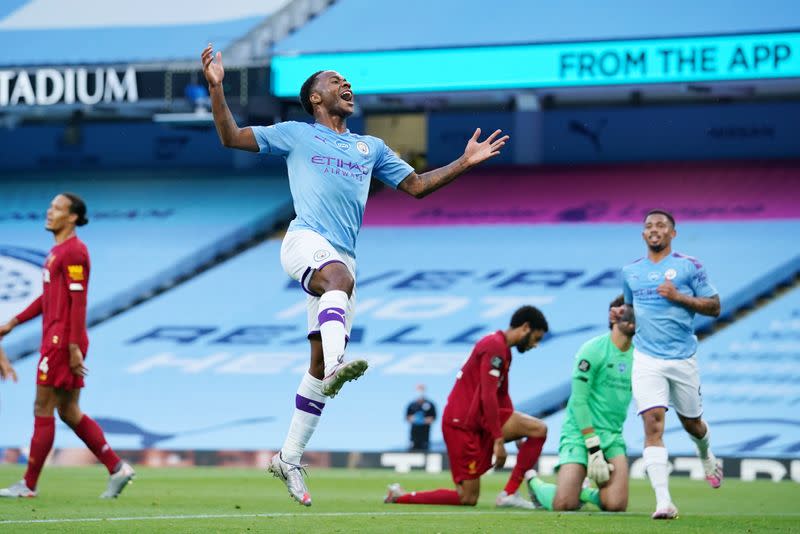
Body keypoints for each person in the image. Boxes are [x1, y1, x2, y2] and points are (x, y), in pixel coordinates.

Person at [201, 45, 509, 506]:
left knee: (318, 366)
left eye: (348, 81)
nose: (346, 85)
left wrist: (464, 162)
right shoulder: (295, 134)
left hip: (343, 257)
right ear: (315, 99)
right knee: (338, 284)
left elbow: (417, 186)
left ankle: (289, 456)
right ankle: (341, 359)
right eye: (335, 81)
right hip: (305, 241)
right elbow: (230, 137)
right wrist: (216, 87)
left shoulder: (372, 147)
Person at [0, 193, 135, 499]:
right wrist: (14, 322)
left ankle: (28, 485)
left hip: (62, 342)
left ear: (72, 217)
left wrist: (73, 346)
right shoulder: (57, 252)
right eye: (49, 207)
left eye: (57, 208)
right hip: (62, 340)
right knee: (69, 411)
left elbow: (78, 302)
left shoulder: (74, 252)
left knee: (43, 407)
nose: (49, 212)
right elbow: (48, 298)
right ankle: (117, 468)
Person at [611, 209, 722, 520]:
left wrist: (678, 297)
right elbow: (633, 312)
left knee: (693, 424)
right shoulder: (631, 272)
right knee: (652, 424)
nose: (654, 229)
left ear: (673, 233)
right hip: (646, 358)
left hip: (682, 357)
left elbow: (714, 307)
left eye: (661, 225)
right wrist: (622, 317)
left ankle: (707, 455)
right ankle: (664, 502)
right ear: (643, 234)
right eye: (648, 226)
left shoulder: (689, 267)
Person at [384, 306, 549, 509]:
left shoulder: (502, 349)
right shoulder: (494, 346)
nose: (536, 344)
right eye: (537, 338)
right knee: (467, 498)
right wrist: (499, 439)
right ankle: (400, 496)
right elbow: (487, 395)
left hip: (476, 421)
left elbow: (501, 395)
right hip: (461, 425)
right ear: (525, 328)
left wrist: (516, 432)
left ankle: (509, 492)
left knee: (537, 429)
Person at [527, 295, 635, 512]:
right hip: (579, 433)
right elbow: (578, 400)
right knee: (564, 504)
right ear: (613, 316)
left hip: (612, 436)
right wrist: (592, 445)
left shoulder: (640, 357)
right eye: (627, 311)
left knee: (615, 506)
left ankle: (584, 491)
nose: (633, 318)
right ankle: (534, 483)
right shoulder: (593, 350)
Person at [406, 384, 437, 451]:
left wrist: (423, 420)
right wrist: (416, 419)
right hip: (414, 435)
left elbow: (433, 418)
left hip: (425, 435)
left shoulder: (430, 404)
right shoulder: (412, 405)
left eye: (422, 389)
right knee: (413, 450)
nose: (420, 392)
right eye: (419, 389)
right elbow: (408, 417)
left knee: (425, 449)